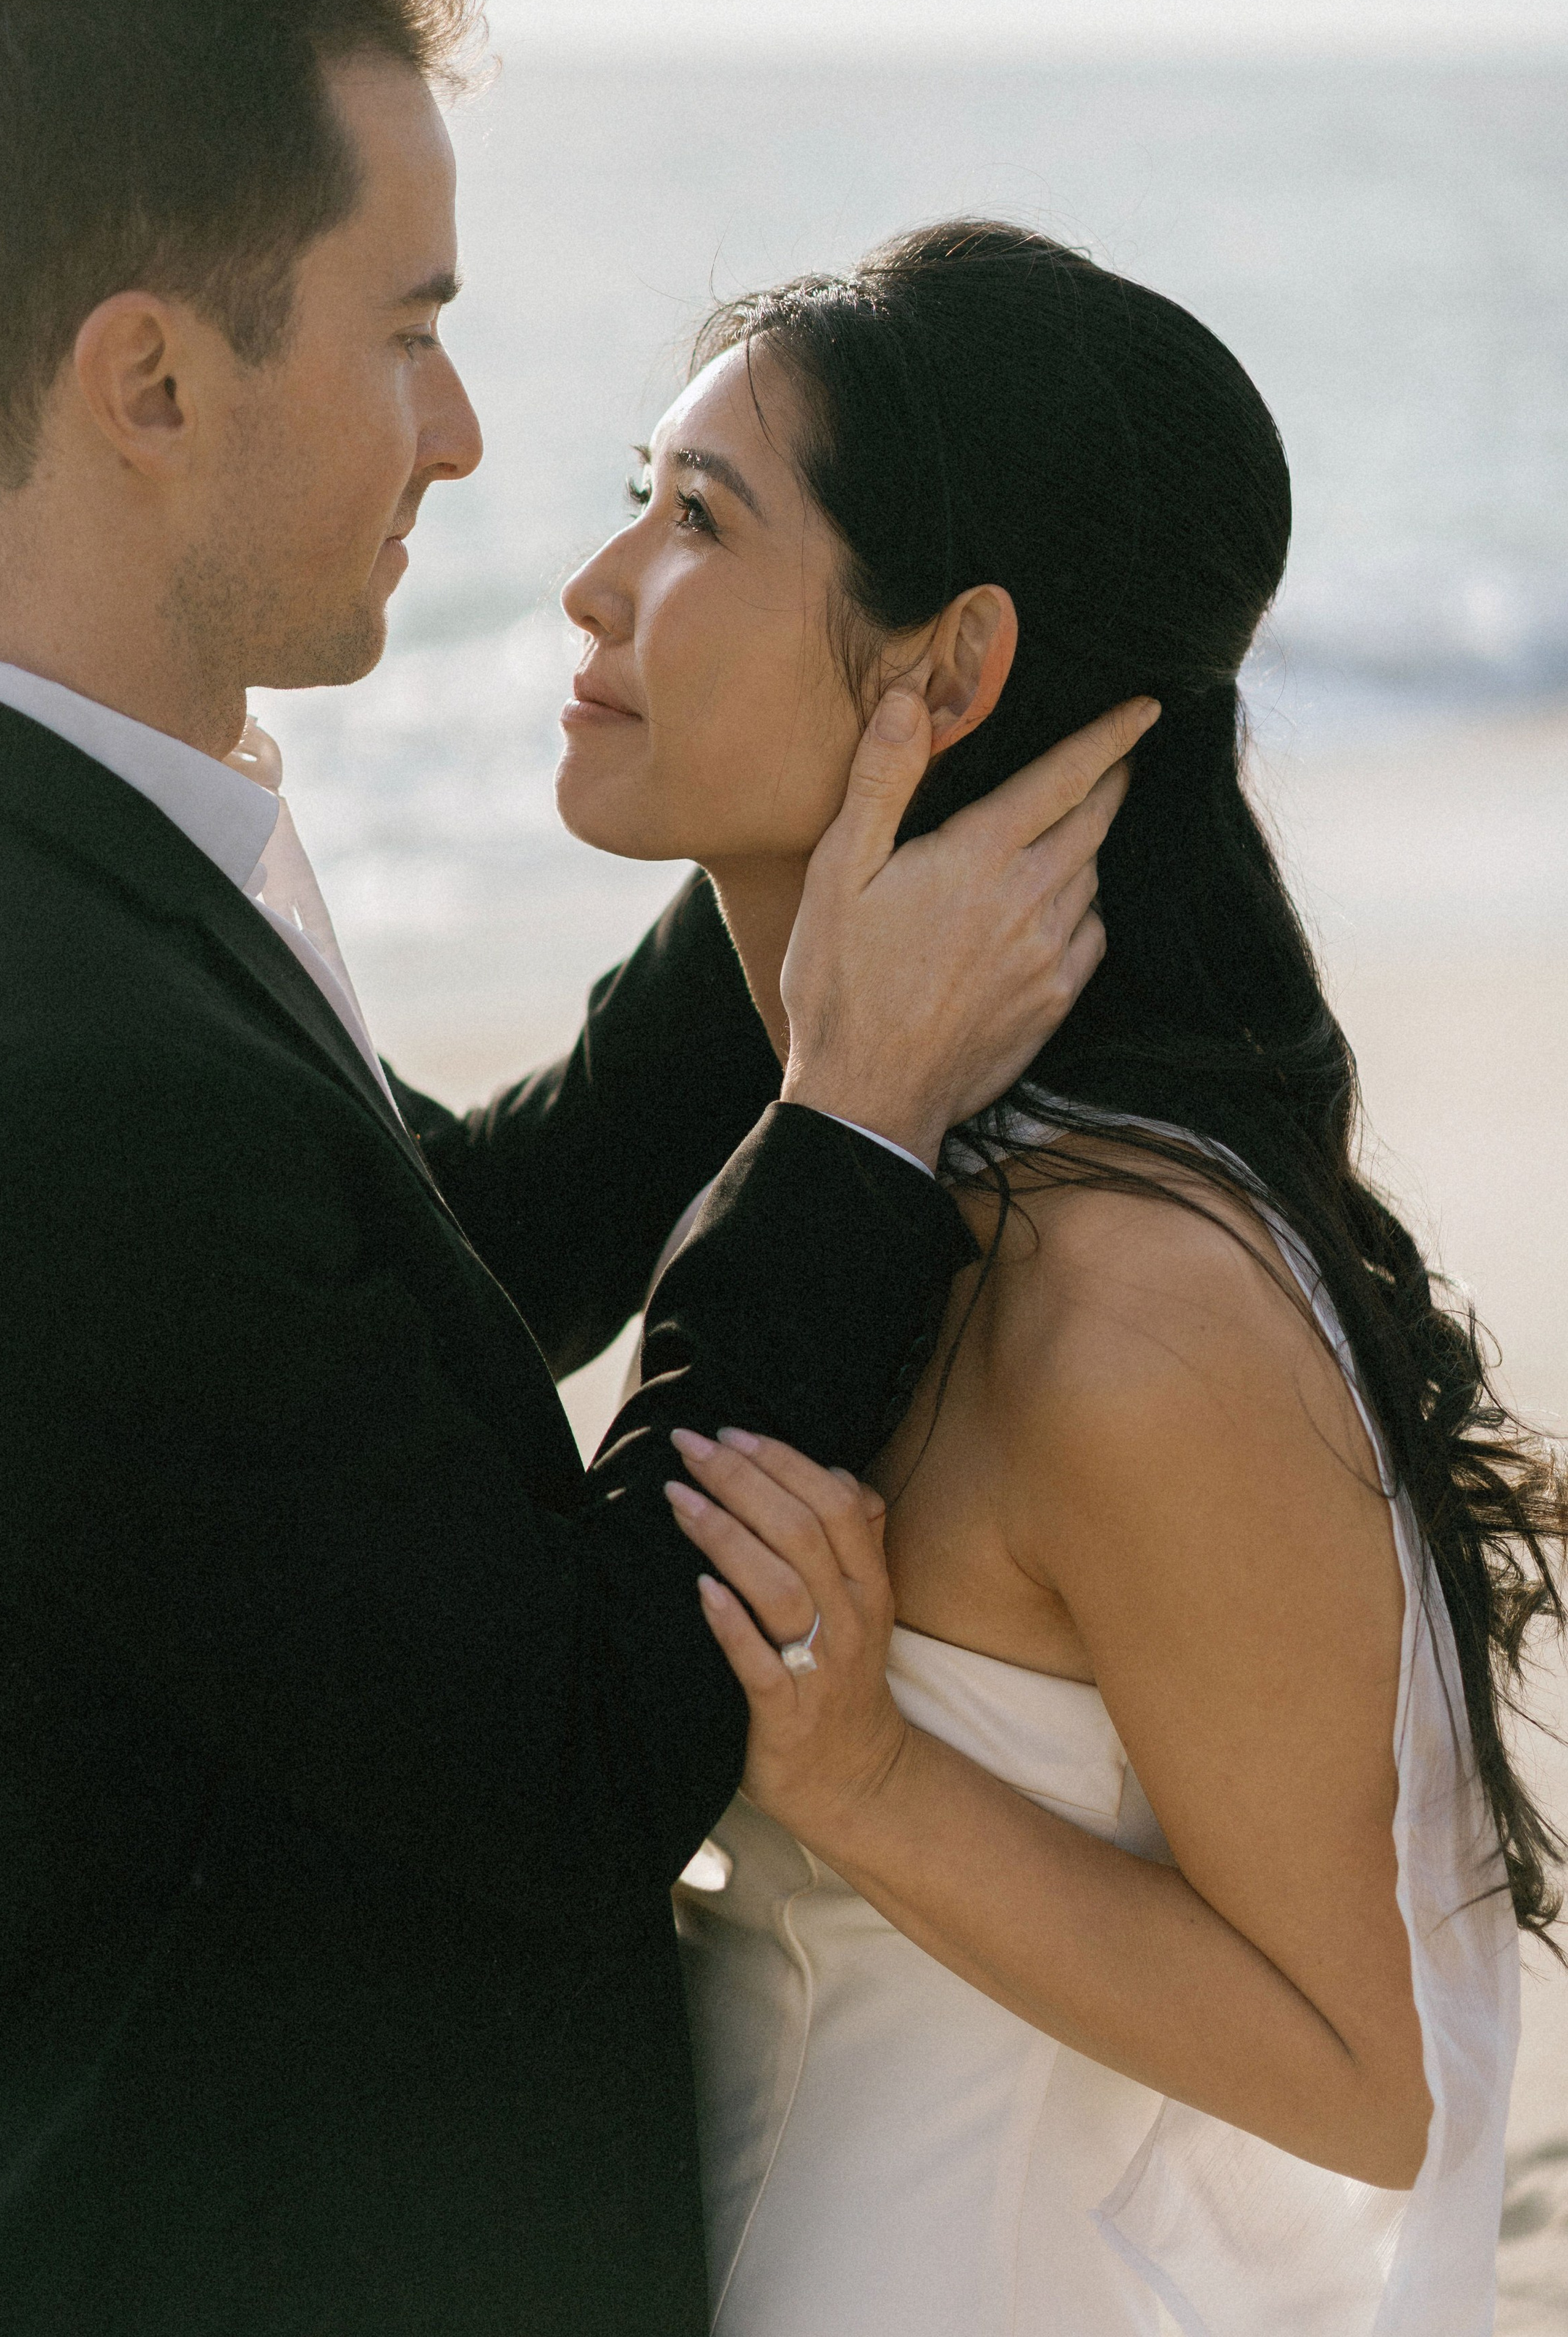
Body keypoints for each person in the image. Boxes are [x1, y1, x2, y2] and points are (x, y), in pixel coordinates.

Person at [0, 0, 1148, 2337]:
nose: (470, 433)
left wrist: (796, 872)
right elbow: (583, 1749)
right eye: (407, 331)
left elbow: (391, 1296)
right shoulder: (25, 1076)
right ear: (148, 381)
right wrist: (854, 1134)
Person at [554, 220, 1567, 2336]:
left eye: (697, 520)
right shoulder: (837, 1152)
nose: (595, 586)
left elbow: (1375, 2082)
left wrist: (873, 1786)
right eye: (629, 504)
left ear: (947, 671)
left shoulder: (1125, 1298)